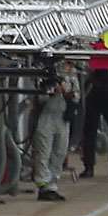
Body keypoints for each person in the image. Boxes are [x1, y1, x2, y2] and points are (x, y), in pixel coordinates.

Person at [29, 57, 80, 200]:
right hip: (46, 116)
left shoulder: (72, 75)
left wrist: (66, 92)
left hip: (63, 117)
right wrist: (51, 90)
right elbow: (38, 96)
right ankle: (43, 185)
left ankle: (52, 184)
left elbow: (76, 96)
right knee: (43, 151)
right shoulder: (43, 73)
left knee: (60, 152)